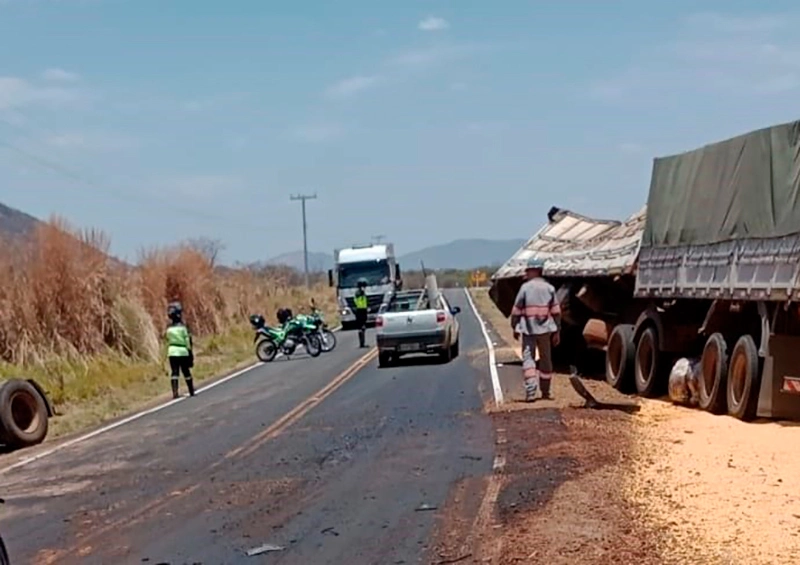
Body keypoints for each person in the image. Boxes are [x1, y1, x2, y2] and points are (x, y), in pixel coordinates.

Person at [510, 257, 561, 402]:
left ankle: (530, 391)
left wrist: (515, 326)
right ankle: (545, 391)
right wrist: (557, 331)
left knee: (528, 360)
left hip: (528, 330)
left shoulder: (525, 288)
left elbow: (516, 310)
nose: (526, 273)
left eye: (528, 270)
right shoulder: (549, 288)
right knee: (546, 360)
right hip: (545, 331)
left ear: (534, 271)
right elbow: (556, 312)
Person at [166, 301, 194, 399]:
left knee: (174, 372)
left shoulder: (168, 329)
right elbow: (188, 342)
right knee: (186, 371)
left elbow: (167, 339)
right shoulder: (183, 328)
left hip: (172, 352)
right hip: (183, 352)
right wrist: (190, 353)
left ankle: (175, 392)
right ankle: (191, 390)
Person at [354, 277, 369, 348]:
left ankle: (362, 342)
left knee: (362, 327)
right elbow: (359, 301)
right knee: (361, 327)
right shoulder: (359, 293)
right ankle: (362, 343)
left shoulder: (361, 293)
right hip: (361, 310)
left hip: (362, 310)